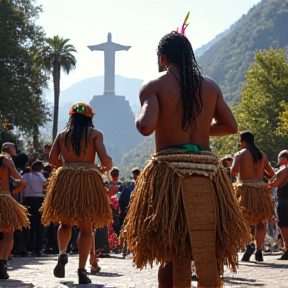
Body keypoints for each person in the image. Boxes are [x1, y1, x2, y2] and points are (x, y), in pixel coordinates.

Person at [121, 29, 248, 288]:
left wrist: (138, 115)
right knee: (203, 246)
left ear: (163, 56)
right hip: (208, 174)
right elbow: (230, 126)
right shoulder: (210, 86)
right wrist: (201, 129)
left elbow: (146, 126)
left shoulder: (154, 86)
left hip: (170, 175)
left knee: (171, 250)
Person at [40, 103, 117, 284]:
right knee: (85, 227)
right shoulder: (95, 134)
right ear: (90, 117)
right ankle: (82, 269)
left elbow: (52, 160)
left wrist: (67, 168)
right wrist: (102, 167)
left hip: (66, 179)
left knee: (65, 223)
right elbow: (105, 159)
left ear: (71, 117)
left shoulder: (62, 135)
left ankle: (62, 253)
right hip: (88, 180)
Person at [231, 131, 275, 262]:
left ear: (242, 141)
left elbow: (233, 171)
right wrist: (263, 175)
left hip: (245, 190)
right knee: (261, 221)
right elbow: (271, 173)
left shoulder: (240, 154)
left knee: (244, 219)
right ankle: (259, 249)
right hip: (260, 191)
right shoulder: (261, 154)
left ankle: (249, 244)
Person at [0, 151, 29, 279]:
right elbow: (19, 179)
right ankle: (2, 262)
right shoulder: (5, 161)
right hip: (4, 198)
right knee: (8, 232)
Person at [23, 160, 46, 256]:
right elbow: (45, 186)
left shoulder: (26, 176)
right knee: (39, 226)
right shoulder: (41, 176)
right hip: (39, 200)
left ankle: (30, 247)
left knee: (31, 225)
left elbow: (22, 186)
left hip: (29, 200)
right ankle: (38, 248)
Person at [268, 150, 288, 260]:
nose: (279, 162)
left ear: (284, 158)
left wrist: (268, 182)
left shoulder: (285, 169)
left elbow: (276, 183)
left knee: (284, 224)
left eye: (280, 159)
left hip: (285, 199)